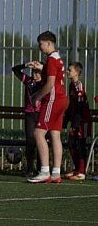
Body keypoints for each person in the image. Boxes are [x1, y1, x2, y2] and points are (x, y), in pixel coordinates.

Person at [27, 31, 67, 184]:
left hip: (52, 100)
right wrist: (41, 67)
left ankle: (44, 171)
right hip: (62, 100)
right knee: (55, 135)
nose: (39, 46)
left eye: (41, 43)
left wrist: (37, 96)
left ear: (49, 43)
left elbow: (50, 84)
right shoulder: (57, 58)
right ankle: (56, 172)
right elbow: (54, 76)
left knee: (38, 133)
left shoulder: (51, 59)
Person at [12, 63, 43, 176]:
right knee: (30, 141)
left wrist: (42, 68)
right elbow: (15, 70)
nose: (35, 74)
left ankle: (41, 168)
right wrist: (26, 65)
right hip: (30, 114)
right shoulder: (29, 81)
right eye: (33, 71)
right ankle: (30, 168)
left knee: (41, 141)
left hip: (40, 114)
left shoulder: (45, 83)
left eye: (37, 71)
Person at [62, 62, 91, 181]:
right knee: (72, 143)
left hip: (82, 121)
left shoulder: (79, 86)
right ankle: (76, 169)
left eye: (70, 70)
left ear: (76, 73)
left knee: (81, 144)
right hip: (75, 120)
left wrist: (76, 123)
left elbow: (81, 106)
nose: (67, 72)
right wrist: (66, 120)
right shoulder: (71, 85)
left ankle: (82, 172)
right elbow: (72, 105)